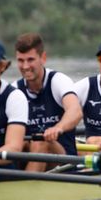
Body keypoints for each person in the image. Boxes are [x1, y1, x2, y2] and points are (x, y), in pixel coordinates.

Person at [14, 32, 83, 172]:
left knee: (41, 143)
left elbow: (75, 112)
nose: (25, 66)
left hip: (64, 161)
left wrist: (58, 128)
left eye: (30, 60)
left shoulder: (58, 81)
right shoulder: (15, 89)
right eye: (21, 61)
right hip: (31, 155)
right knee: (18, 144)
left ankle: (24, 188)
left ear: (43, 58)